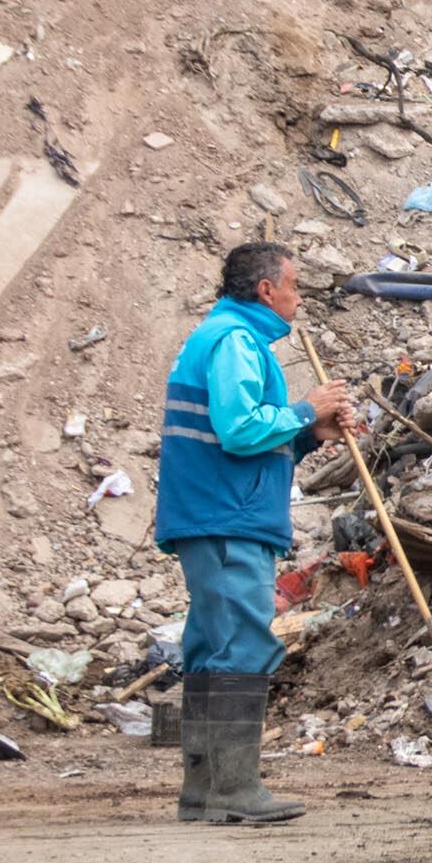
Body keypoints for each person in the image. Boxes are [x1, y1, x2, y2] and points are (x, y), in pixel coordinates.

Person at [155, 242, 354, 825]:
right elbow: (240, 430)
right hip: (225, 516)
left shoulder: (229, 339)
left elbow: (246, 440)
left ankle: (204, 790)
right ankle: (233, 790)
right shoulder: (235, 342)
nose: (297, 299)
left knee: (211, 647)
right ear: (267, 290)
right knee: (240, 644)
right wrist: (303, 409)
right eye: (293, 286)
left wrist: (309, 433)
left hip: (217, 513)